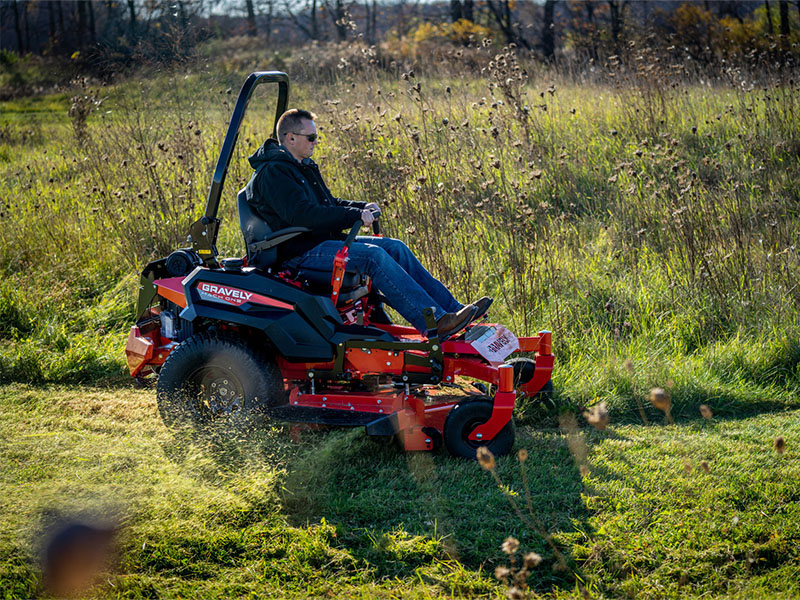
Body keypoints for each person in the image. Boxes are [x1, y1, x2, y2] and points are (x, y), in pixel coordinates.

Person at [245, 108, 492, 338]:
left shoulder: (301, 167)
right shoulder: (274, 173)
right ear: (290, 138)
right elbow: (303, 215)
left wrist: (360, 207)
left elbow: (329, 203)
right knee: (373, 257)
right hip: (297, 252)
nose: (315, 142)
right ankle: (434, 323)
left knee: (394, 247)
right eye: (311, 137)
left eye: (316, 137)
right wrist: (353, 216)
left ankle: (456, 312)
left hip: (319, 241)